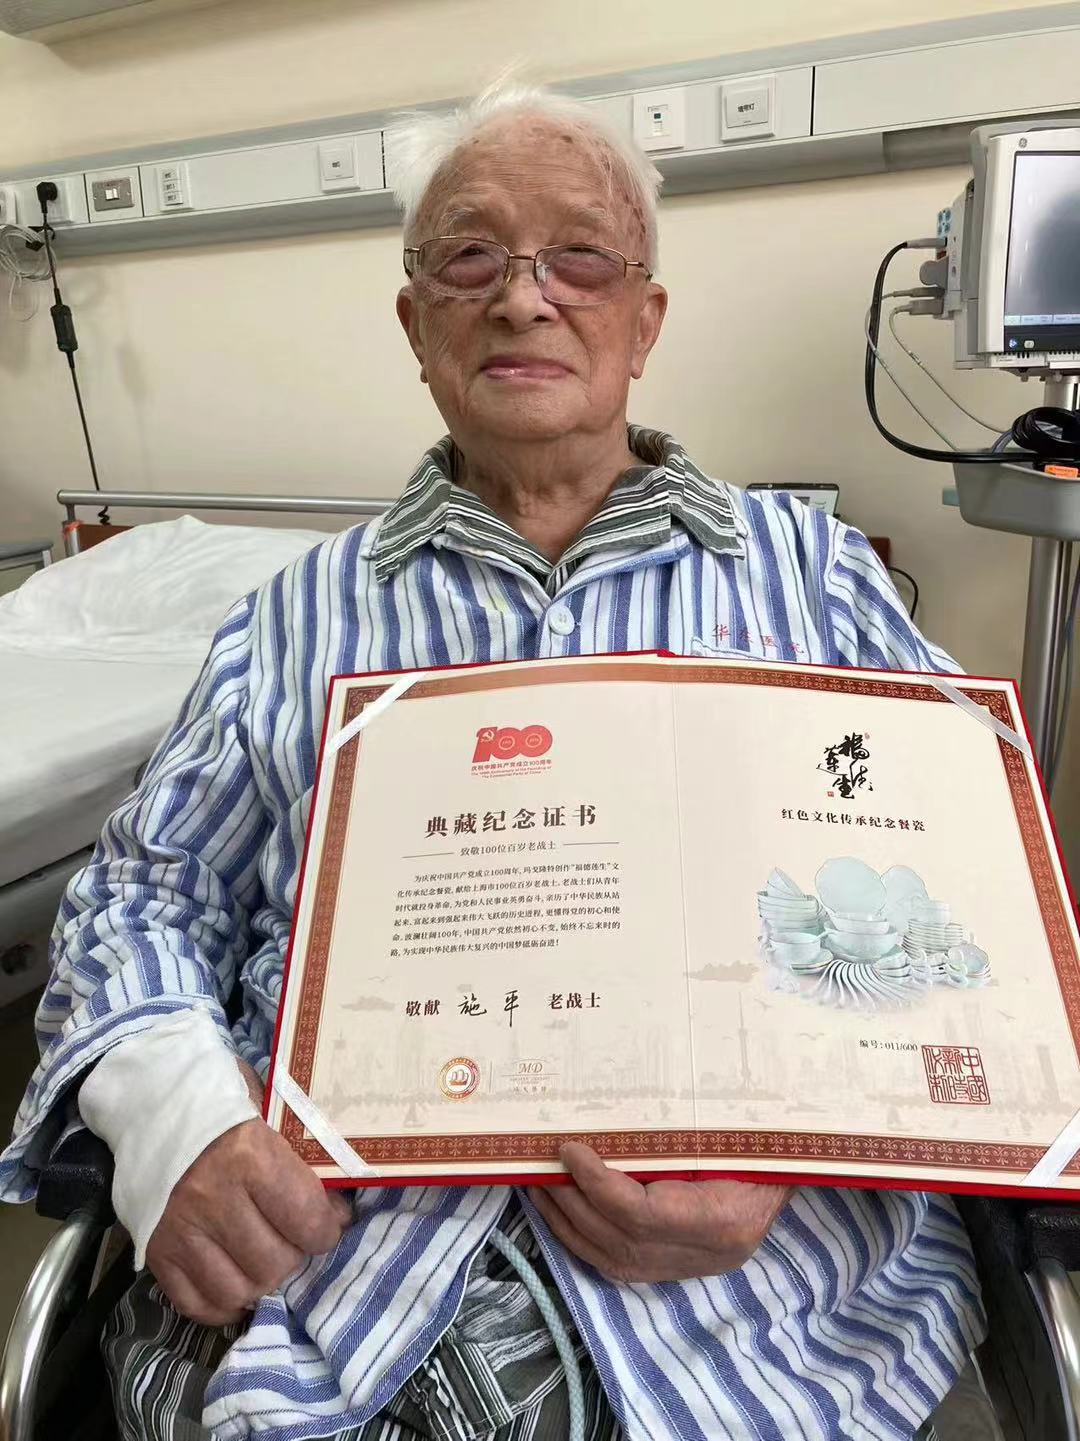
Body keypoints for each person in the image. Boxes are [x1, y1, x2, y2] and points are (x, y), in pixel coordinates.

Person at [1, 81, 987, 1441]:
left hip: (761, 1309)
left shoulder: (809, 580)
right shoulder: (297, 618)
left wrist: (799, 1139)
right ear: (418, 324)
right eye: (472, 256)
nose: (526, 298)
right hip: (333, 1270)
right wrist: (178, 1121)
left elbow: (966, 899)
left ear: (645, 321)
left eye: (580, 256)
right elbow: (139, 897)